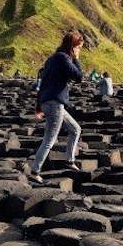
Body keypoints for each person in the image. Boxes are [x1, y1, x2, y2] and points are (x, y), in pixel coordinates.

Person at [28, 30, 84, 183]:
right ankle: (35, 171)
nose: (79, 51)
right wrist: (76, 59)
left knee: (75, 129)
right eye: (78, 48)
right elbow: (79, 76)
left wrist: (39, 106)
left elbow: (43, 83)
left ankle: (69, 161)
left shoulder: (51, 59)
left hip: (50, 102)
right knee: (49, 140)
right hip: (55, 104)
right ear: (72, 47)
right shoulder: (63, 58)